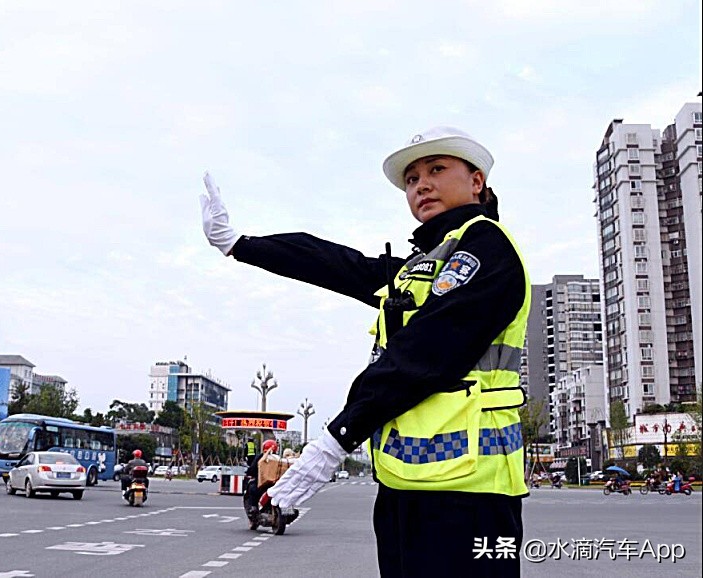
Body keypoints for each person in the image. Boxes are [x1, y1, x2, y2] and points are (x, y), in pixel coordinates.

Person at [200, 126, 529, 576]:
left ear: (477, 182)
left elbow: (422, 354)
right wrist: (240, 245)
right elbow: (335, 263)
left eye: (436, 169)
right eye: (411, 179)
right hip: (403, 485)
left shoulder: (488, 249)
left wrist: (333, 441)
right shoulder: (424, 266)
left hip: (472, 494)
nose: (422, 185)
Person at [243, 439, 279, 516]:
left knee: (252, 488)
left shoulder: (260, 457)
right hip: (276, 484)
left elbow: (252, 469)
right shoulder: (278, 458)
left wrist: (249, 472)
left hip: (262, 484)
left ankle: (254, 507)